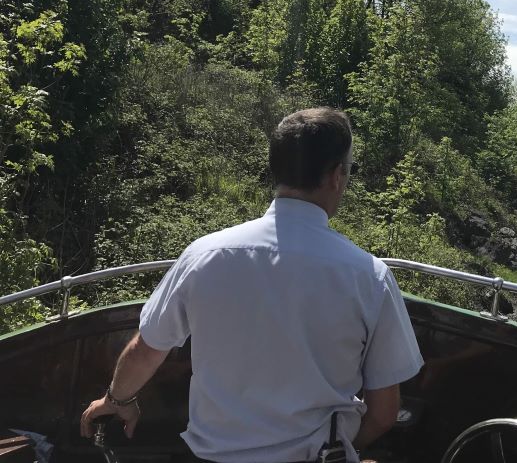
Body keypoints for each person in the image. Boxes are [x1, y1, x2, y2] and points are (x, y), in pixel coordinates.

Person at [80, 107, 424, 463]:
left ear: (276, 170)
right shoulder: (370, 276)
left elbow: (147, 350)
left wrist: (116, 400)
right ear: (337, 176)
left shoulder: (205, 255)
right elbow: (383, 414)